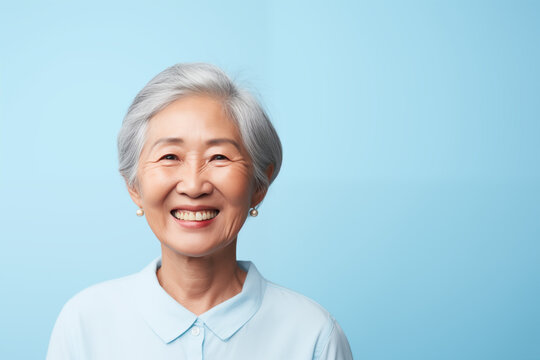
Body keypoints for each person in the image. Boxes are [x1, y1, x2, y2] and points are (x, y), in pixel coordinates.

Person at [46, 63, 353, 359]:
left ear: (259, 185)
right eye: (169, 156)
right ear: (134, 187)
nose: (194, 186)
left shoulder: (313, 335)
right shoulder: (84, 324)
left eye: (219, 156)